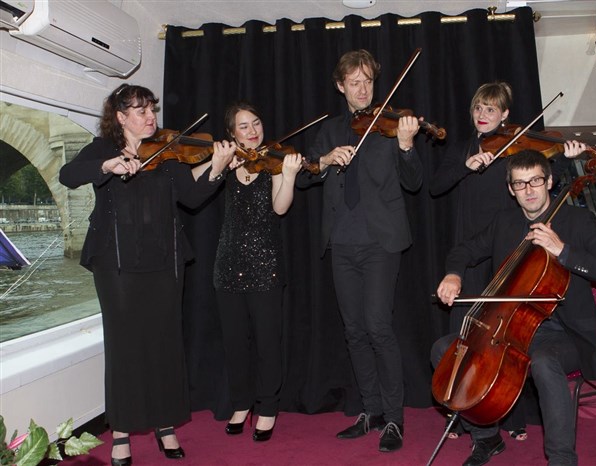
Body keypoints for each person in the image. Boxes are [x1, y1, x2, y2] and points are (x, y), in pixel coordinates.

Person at [59, 84, 236, 466]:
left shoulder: (168, 151)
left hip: (165, 262)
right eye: (140, 111)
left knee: (165, 345)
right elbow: (67, 175)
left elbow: (191, 197)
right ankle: (121, 432)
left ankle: (165, 424)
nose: (150, 117)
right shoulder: (103, 149)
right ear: (120, 117)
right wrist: (107, 166)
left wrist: (218, 169)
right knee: (125, 348)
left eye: (151, 109)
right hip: (117, 264)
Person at [432, 149, 596, 466]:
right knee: (445, 350)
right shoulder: (505, 222)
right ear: (511, 189)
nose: (529, 190)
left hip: (564, 334)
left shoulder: (577, 221)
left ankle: (562, 459)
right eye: (520, 184)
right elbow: (464, 250)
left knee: (543, 362)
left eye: (535, 181)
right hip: (508, 330)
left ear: (549, 181)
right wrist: (454, 275)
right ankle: (486, 437)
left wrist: (563, 251)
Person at [429, 82, 587, 441]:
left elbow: (545, 183)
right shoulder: (463, 149)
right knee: (468, 338)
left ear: (505, 115)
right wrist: (465, 167)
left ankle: (511, 416)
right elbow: (436, 186)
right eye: (478, 108)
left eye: (491, 109)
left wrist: (566, 158)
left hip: (506, 249)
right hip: (471, 249)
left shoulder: (517, 151)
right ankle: (466, 413)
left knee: (509, 340)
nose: (482, 115)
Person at [296, 49, 422, 453]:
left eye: (368, 81)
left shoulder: (390, 125)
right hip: (341, 243)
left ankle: (394, 417)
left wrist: (406, 145)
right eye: (354, 82)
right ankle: (371, 410)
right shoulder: (330, 129)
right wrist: (324, 160)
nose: (363, 89)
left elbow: (415, 182)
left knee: (378, 327)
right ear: (341, 86)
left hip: (381, 243)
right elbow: (304, 177)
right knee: (353, 331)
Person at [192, 102, 302, 442]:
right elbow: (192, 182)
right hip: (227, 265)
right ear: (232, 133)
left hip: (265, 265)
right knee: (235, 343)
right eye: (243, 126)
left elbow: (280, 208)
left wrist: (289, 176)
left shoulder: (274, 161)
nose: (252, 130)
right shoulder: (229, 162)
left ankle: (267, 407)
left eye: (256, 123)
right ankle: (241, 404)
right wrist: (218, 160)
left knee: (268, 342)